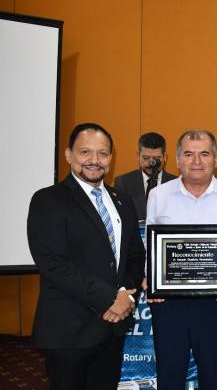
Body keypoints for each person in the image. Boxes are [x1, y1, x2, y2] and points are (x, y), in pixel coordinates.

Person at [27, 123, 145, 390]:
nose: (95, 160)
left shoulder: (122, 200)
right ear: (69, 155)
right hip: (69, 331)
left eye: (102, 153)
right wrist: (109, 298)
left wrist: (125, 293)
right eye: (85, 152)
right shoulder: (48, 200)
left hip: (112, 329)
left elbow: (136, 256)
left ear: (111, 158)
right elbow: (53, 264)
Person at [145, 129, 217, 390]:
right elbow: (151, 248)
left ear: (216, 159)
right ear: (177, 160)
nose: (197, 161)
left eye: (204, 154)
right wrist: (151, 280)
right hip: (169, 304)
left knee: (213, 378)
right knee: (169, 377)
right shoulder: (158, 196)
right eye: (188, 154)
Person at [115, 132, 177, 220]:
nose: (151, 163)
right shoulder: (123, 182)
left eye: (156, 159)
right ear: (138, 156)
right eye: (146, 158)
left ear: (165, 157)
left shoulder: (176, 183)